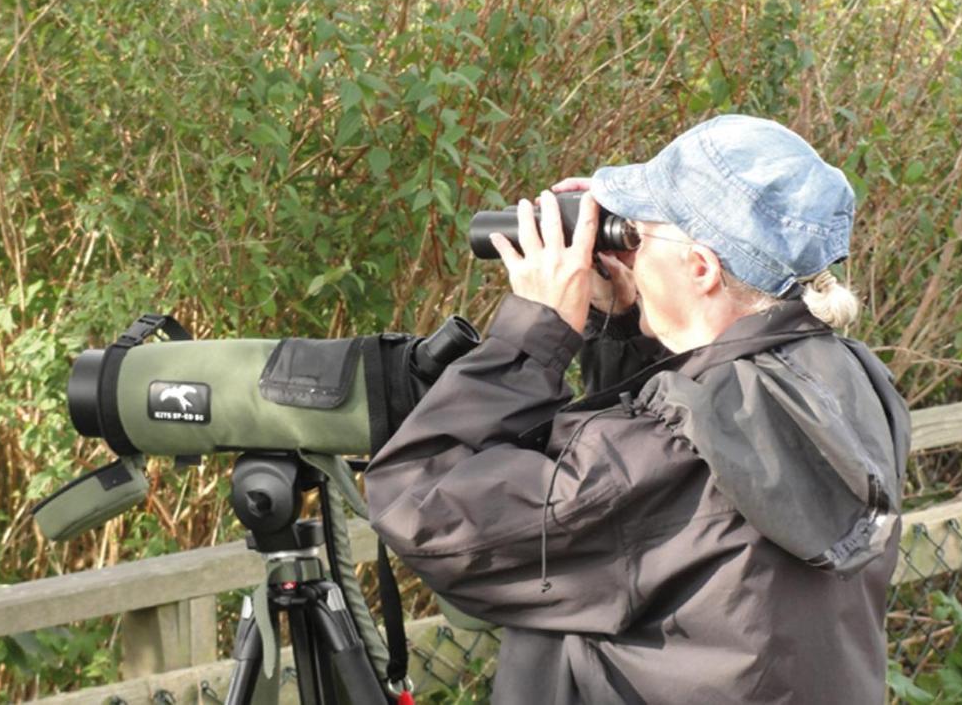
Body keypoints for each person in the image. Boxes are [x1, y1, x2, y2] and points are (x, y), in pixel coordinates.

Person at [364, 115, 911, 704]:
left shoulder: (673, 453)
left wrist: (536, 331)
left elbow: (420, 508)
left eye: (638, 235)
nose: (627, 248)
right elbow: (670, 503)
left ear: (699, 267)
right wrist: (626, 325)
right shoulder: (851, 381)